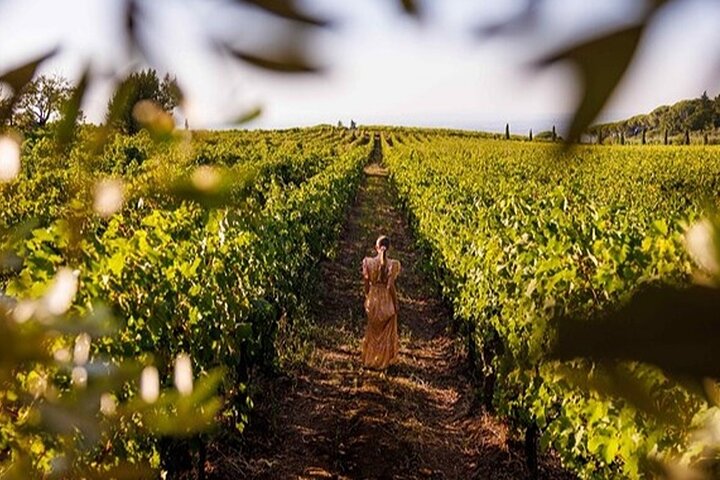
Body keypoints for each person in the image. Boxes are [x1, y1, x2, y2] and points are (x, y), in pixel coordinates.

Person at [361, 235, 401, 370]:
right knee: (385, 332)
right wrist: (395, 303)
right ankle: (384, 362)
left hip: (374, 298)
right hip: (386, 300)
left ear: (376, 247)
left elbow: (366, 283)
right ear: (389, 248)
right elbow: (390, 287)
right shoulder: (393, 265)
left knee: (372, 330)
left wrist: (368, 296)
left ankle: (370, 359)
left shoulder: (368, 262)